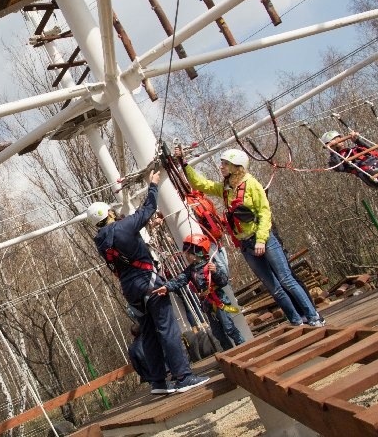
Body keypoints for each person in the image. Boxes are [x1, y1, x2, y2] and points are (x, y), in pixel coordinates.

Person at [173, 146, 325, 327]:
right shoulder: (226, 189)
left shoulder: (251, 184)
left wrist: (261, 239)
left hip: (263, 239)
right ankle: (295, 319)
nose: (221, 167)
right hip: (246, 245)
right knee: (273, 287)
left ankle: (313, 316)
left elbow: (264, 213)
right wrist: (184, 164)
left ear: (236, 166)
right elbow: (201, 184)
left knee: (286, 279)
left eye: (224, 164)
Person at [88, 171, 209, 395]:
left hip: (130, 289)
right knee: (167, 329)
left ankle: (159, 382)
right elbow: (148, 208)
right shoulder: (122, 227)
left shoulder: (101, 241)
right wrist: (152, 185)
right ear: (109, 213)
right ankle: (183, 376)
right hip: (147, 282)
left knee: (149, 334)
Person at [153, 233, 246, 350]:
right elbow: (180, 280)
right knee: (218, 333)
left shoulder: (211, 265)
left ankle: (243, 346)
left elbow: (223, 281)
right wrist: (167, 287)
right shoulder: (191, 270)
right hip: (207, 304)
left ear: (196, 252)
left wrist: (216, 272)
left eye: (188, 253)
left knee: (229, 327)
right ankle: (229, 351)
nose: (186, 256)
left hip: (218, 300)